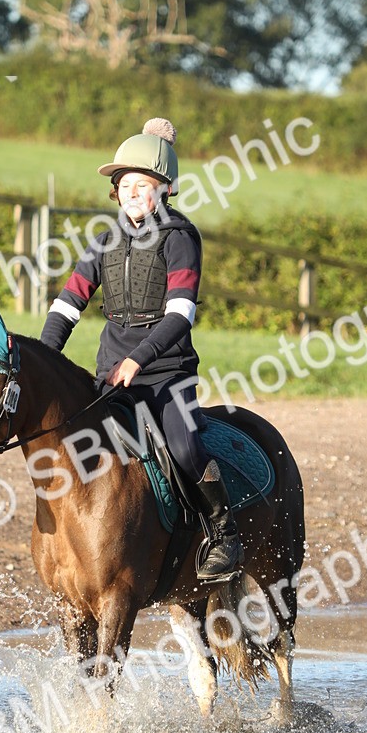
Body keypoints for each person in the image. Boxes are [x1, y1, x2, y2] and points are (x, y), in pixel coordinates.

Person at [39, 117, 243, 581]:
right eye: (124, 184)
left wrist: (139, 359)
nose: (132, 192)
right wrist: (45, 357)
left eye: (142, 184)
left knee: (185, 446)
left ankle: (223, 533)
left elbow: (180, 315)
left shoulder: (180, 238)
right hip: (111, 374)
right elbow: (68, 305)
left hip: (166, 374)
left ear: (164, 189)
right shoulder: (102, 243)